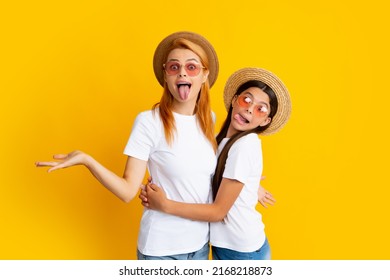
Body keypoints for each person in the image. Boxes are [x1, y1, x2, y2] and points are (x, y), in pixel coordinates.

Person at [35, 31, 220, 260]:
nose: (182, 72)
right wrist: (87, 160)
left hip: (201, 246)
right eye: (174, 67)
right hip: (161, 251)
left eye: (191, 67)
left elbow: (205, 178)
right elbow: (127, 191)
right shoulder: (149, 122)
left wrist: (247, 181)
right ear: (166, 76)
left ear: (204, 75)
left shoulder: (208, 120)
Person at [142, 67, 292, 260]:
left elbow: (218, 212)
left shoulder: (246, 145)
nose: (249, 109)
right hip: (227, 246)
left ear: (265, 121)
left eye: (260, 109)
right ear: (234, 99)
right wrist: (252, 186)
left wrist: (164, 204)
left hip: (242, 252)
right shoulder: (219, 141)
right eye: (246, 99)